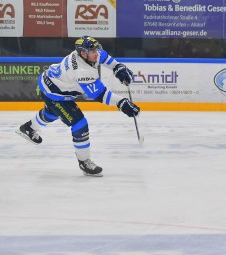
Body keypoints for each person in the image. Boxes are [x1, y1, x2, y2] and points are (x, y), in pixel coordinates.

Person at [16, 36, 140, 177]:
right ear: (83, 53)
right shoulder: (82, 71)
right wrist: (121, 103)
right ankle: (84, 162)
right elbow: (100, 95)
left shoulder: (88, 55)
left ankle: (28, 128)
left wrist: (118, 67)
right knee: (80, 124)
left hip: (48, 82)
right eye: (93, 51)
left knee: (53, 113)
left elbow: (104, 57)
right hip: (54, 94)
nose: (96, 53)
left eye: (95, 49)